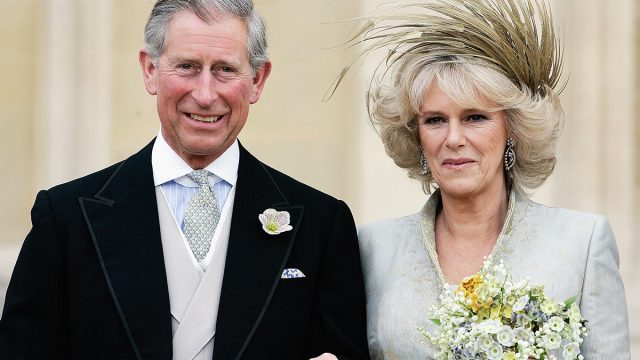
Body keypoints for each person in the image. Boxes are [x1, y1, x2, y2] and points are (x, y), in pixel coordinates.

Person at [0, 1, 369, 359]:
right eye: (188, 66)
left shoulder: (321, 226)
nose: (206, 94)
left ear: (257, 80)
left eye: (225, 69)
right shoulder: (66, 219)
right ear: (149, 70)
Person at [338, 0, 630, 358]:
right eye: (435, 120)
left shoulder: (581, 243)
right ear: (416, 135)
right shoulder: (373, 248)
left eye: (475, 117)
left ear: (512, 129)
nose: (454, 138)